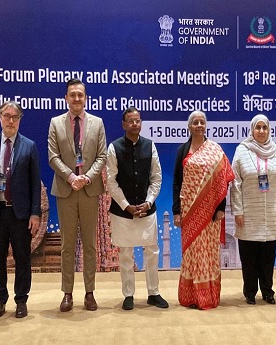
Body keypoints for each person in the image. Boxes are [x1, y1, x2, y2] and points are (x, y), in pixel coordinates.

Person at [48, 78, 107, 312]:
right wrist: (71, 177)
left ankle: (90, 293)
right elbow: (53, 157)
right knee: (68, 245)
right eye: (72, 94)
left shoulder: (97, 123)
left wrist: (87, 178)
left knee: (90, 245)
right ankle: (67, 293)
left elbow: (102, 156)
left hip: (89, 190)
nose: (76, 98)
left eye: (80, 95)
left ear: (86, 98)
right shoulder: (55, 123)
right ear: (66, 98)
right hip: (66, 190)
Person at [0, 101, 41, 319]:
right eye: (7, 116)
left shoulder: (29, 146)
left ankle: (21, 300)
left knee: (22, 258)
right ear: (0, 118)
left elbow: (35, 183)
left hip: (20, 213)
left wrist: (35, 213)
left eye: (15, 117)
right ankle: (0, 300)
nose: (11, 121)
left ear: (20, 120)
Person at [107, 107, 168, 310]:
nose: (135, 124)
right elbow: (111, 181)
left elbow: (156, 178)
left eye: (138, 120)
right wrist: (126, 206)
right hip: (122, 211)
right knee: (125, 253)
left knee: (152, 251)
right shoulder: (114, 148)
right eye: (131, 121)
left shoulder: (150, 146)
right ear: (123, 124)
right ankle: (128, 295)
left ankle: (153, 293)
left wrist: (148, 202)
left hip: (146, 209)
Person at [173, 110, 234, 310]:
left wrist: (221, 208)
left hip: (211, 213)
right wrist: (176, 211)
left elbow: (223, 180)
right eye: (195, 122)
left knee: (208, 252)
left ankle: (207, 296)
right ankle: (191, 296)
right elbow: (177, 182)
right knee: (192, 252)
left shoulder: (215, 150)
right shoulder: (183, 150)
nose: (199, 125)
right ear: (189, 126)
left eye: (202, 122)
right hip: (189, 210)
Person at [230, 114, 276, 305]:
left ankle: (267, 291)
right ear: (252, 130)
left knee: (268, 255)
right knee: (248, 256)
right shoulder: (242, 151)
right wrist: (237, 211)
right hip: (248, 212)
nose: (261, 131)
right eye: (258, 127)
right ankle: (250, 292)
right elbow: (235, 183)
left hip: (271, 211)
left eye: (265, 127)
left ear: (269, 130)